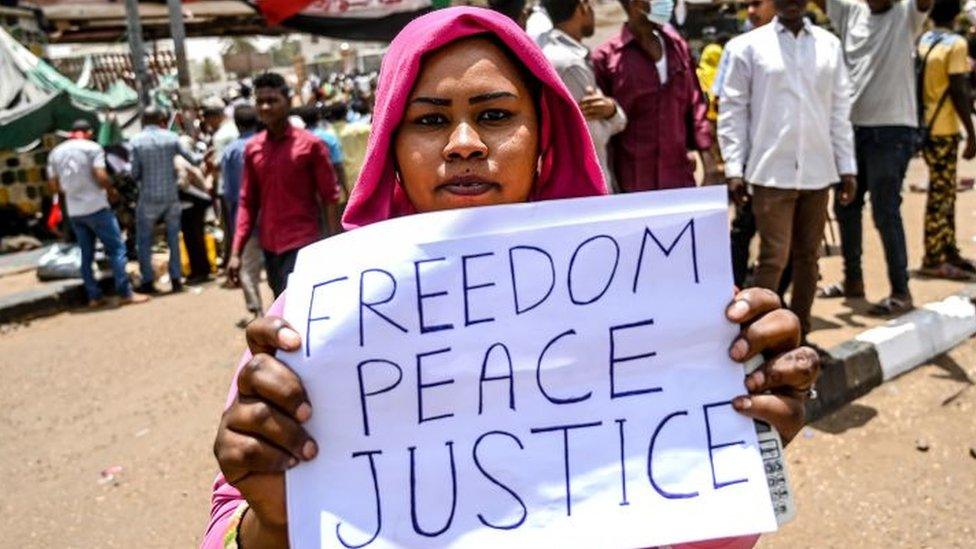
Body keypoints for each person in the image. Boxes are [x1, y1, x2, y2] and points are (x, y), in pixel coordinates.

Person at [203, 8, 820, 548]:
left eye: (495, 114)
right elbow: (229, 530)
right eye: (428, 121)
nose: (464, 144)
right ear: (390, 143)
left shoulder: (645, 299)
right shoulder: (313, 319)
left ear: (544, 136)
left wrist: (743, 436)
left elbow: (699, 537)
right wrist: (277, 522)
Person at [719, 0, 857, 336]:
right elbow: (733, 112)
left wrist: (847, 167)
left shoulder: (829, 45)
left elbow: (840, 110)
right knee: (773, 259)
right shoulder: (747, 47)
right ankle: (761, 341)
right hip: (770, 172)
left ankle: (799, 337)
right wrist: (734, 168)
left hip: (817, 170)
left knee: (808, 260)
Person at [814, 0, 933, 315]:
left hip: (891, 133)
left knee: (885, 211)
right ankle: (853, 280)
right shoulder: (851, 11)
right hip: (850, 131)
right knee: (845, 206)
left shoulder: (906, 14)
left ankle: (900, 291)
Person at [226, 72, 342, 298]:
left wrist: (332, 246)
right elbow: (247, 203)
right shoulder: (253, 149)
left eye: (272, 100)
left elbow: (330, 197)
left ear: (288, 102)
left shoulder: (311, 145)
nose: (266, 107)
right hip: (271, 249)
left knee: (299, 311)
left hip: (304, 245)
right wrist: (235, 252)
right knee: (281, 304)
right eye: (260, 101)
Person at [592, 0, 720, 191]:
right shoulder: (606, 58)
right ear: (634, 4)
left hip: (679, 178)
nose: (667, 3)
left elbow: (695, 107)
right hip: (632, 185)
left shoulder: (677, 48)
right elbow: (602, 130)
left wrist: (709, 163)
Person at [712, 0, 780, 288]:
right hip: (751, 161)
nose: (751, 11)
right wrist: (730, 163)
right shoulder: (737, 48)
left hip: (786, 163)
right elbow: (722, 106)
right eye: (747, 4)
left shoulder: (805, 44)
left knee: (782, 240)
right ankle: (734, 294)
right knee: (743, 230)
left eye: (757, 3)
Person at [46, 119, 149, 307]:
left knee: (86, 254)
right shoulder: (92, 148)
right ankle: (125, 293)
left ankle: (94, 296)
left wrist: (71, 194)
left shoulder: (55, 152)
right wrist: (112, 192)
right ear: (89, 132)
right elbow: (100, 175)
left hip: (75, 212)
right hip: (97, 208)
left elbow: (53, 186)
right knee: (116, 250)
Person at [539, 0, 628, 191]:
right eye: (590, 5)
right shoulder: (570, 64)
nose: (593, 11)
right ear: (581, 7)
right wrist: (614, 114)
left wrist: (610, 108)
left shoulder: (545, 47)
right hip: (586, 187)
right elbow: (593, 136)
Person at [917, 0, 976, 279]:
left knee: (946, 190)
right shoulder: (956, 44)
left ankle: (948, 249)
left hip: (924, 126)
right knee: (941, 196)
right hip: (945, 128)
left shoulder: (925, 40)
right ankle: (933, 258)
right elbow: (958, 90)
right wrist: (972, 133)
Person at [129, 106, 204, 294]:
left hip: (147, 198)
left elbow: (135, 173)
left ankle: (148, 280)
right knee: (173, 238)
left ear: (143, 120)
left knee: (145, 240)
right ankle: (176, 278)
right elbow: (193, 159)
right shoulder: (171, 138)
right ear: (160, 119)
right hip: (170, 196)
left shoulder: (136, 141)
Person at [221, 105, 265, 323]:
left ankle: (256, 310)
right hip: (273, 216)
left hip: (245, 217)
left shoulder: (230, 151)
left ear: (236, 124)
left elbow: (228, 192)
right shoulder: (265, 144)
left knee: (248, 268)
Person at [295, 106, 350, 198]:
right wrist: (346, 189)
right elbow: (338, 165)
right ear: (318, 118)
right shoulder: (328, 137)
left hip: (304, 192)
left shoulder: (296, 140)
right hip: (328, 187)